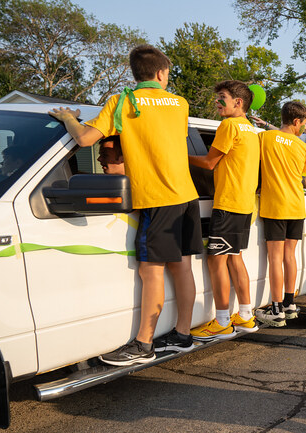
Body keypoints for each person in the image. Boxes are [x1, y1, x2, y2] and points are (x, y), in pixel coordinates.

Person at [49, 44, 199, 365]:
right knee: (182, 266)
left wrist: (69, 119)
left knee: (150, 270)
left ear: (136, 73)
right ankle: (183, 334)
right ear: (160, 73)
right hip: (187, 196)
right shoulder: (180, 103)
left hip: (157, 199)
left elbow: (86, 140)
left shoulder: (123, 102)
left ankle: (144, 344)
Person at [186, 80, 260, 341]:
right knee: (234, 257)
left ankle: (221, 321)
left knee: (216, 260)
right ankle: (246, 315)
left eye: (222, 98)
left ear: (238, 103)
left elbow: (208, 162)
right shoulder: (251, 130)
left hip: (228, 203)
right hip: (244, 204)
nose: (217, 103)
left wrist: (177, 155)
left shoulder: (229, 126)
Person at [254, 101, 306, 326]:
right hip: (296, 206)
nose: (304, 128)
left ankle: (276, 308)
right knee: (289, 256)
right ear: (296, 121)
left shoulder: (264, 138)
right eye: (305, 124)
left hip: (276, 206)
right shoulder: (302, 147)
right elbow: (302, 171)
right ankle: (290, 304)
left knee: (275, 258)